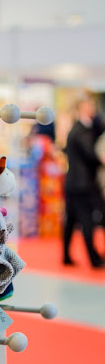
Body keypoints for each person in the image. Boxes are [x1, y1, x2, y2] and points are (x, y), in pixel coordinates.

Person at [63, 94, 104, 268]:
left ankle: (66, 256)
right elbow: (91, 154)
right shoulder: (81, 130)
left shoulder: (79, 128)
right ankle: (94, 259)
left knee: (71, 220)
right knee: (87, 221)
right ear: (81, 108)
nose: (92, 109)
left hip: (74, 182)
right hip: (82, 184)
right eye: (89, 106)